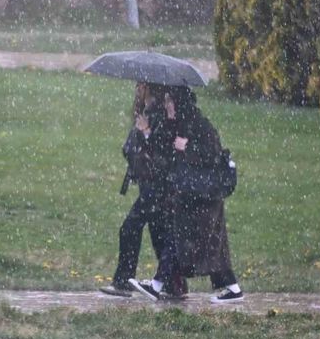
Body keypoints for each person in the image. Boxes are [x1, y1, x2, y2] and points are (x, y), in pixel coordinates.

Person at [128, 86, 243, 303]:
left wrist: (188, 146)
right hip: (191, 195)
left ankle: (158, 285)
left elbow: (213, 155)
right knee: (189, 241)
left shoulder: (199, 125)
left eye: (170, 101)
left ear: (180, 103)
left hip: (204, 198)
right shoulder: (178, 124)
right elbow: (163, 152)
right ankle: (158, 285)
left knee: (202, 243)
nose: (166, 105)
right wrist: (146, 132)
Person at [100, 83, 187, 298]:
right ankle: (175, 285)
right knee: (159, 234)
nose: (138, 88)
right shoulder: (149, 111)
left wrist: (146, 132)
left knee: (130, 229)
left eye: (142, 84)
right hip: (152, 186)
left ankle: (123, 282)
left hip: (157, 188)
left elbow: (163, 152)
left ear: (149, 87)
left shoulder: (159, 114)